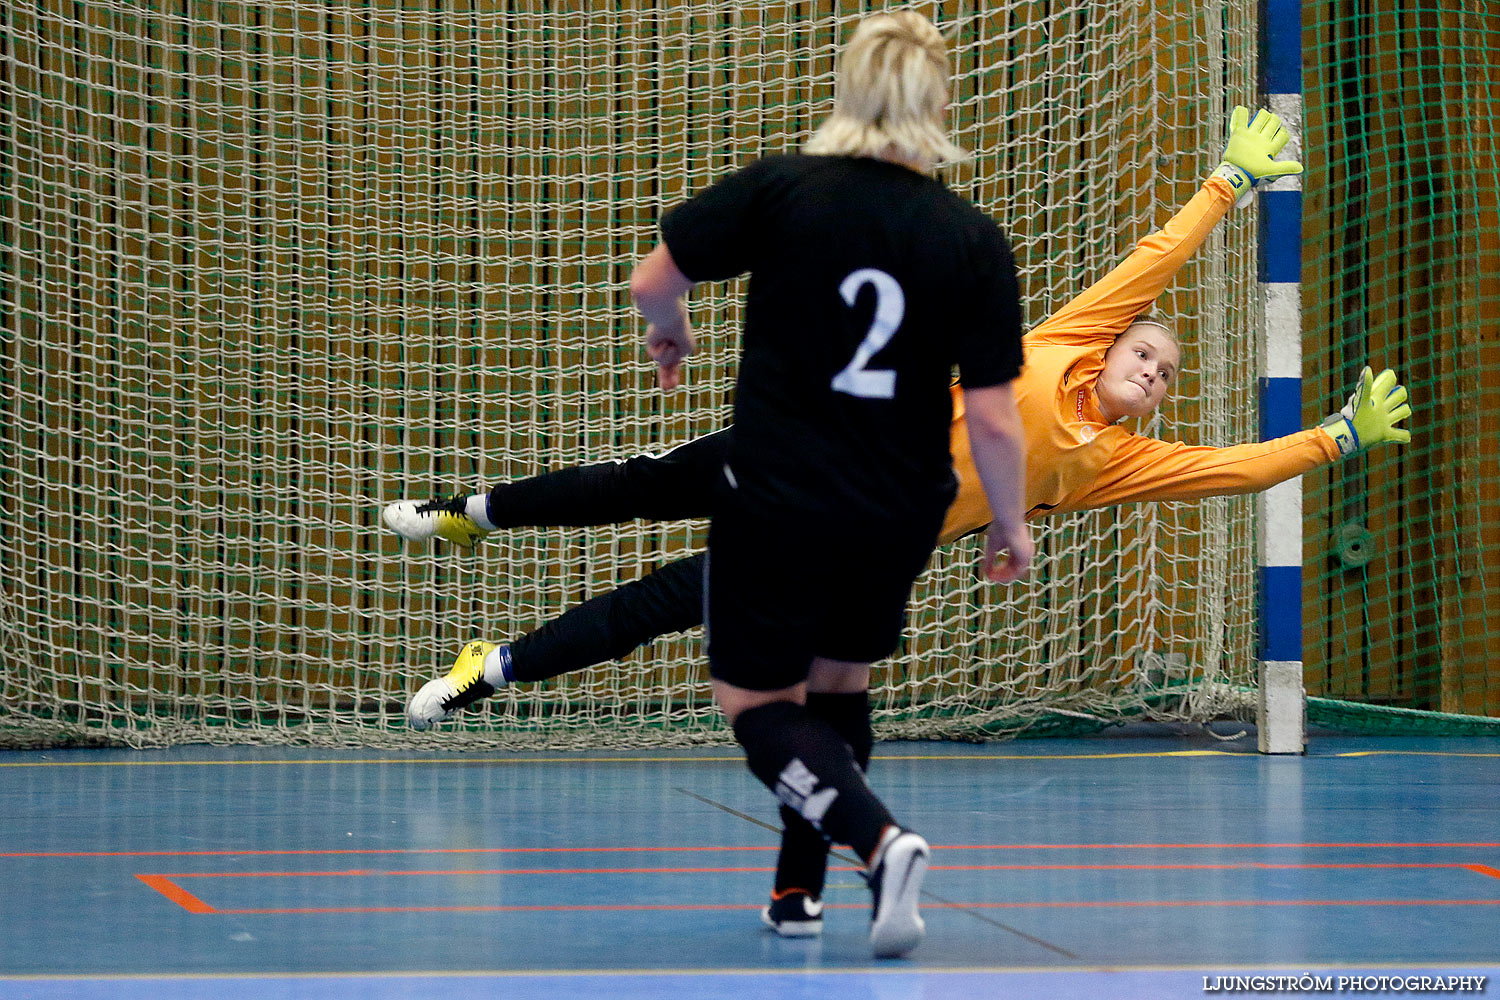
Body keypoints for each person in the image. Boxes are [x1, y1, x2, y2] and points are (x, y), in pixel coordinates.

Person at [382, 108, 1411, 940]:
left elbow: (1235, 470)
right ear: (1110, 348)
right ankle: (469, 512)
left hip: (851, 540)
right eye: (1145, 352)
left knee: (669, 604)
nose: (1151, 370)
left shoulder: (1118, 463)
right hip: (799, 450)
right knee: (635, 484)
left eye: (1166, 375)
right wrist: (1225, 185)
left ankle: (495, 668)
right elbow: (1152, 261)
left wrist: (1336, 438)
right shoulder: (1063, 340)